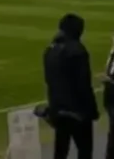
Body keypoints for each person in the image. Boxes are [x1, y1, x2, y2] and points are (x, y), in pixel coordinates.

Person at [42, 13, 99, 159]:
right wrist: (92, 110)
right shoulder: (78, 51)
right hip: (77, 110)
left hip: (57, 108)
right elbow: (83, 84)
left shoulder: (50, 50)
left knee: (60, 150)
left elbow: (49, 80)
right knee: (84, 150)